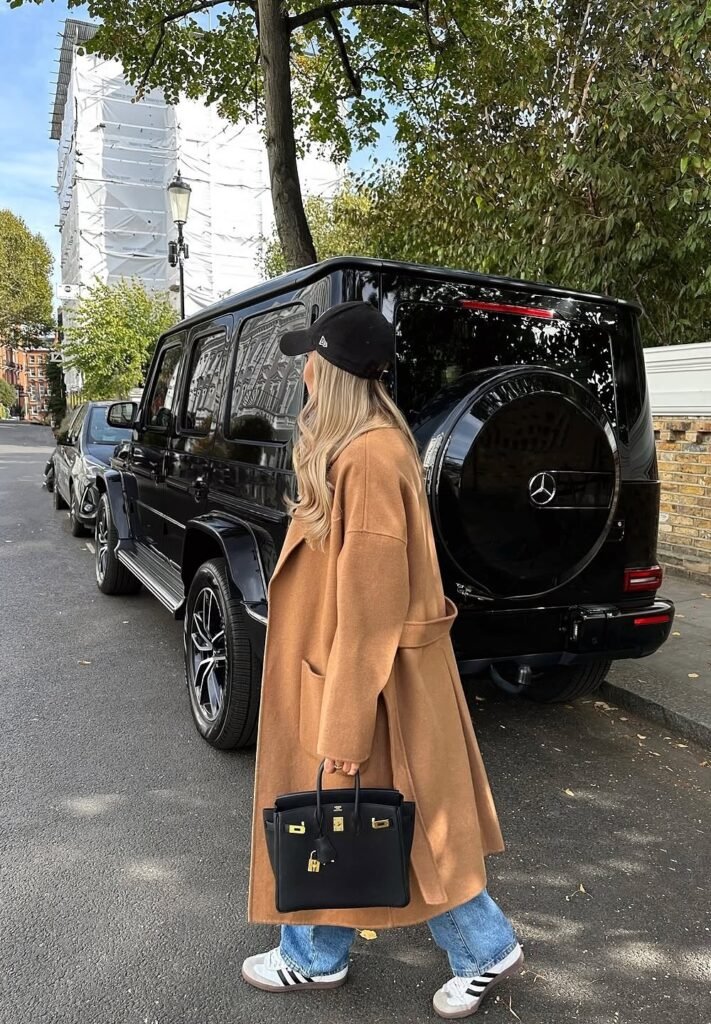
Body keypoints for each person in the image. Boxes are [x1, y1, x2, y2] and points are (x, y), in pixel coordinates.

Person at [243, 301, 523, 1019]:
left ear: (331, 370)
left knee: (368, 818)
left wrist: (342, 729)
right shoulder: (362, 445)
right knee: (358, 819)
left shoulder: (366, 457)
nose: (302, 367)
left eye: (310, 355)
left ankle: (480, 948)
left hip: (367, 682)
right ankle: (316, 954)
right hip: (359, 675)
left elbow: (369, 614)